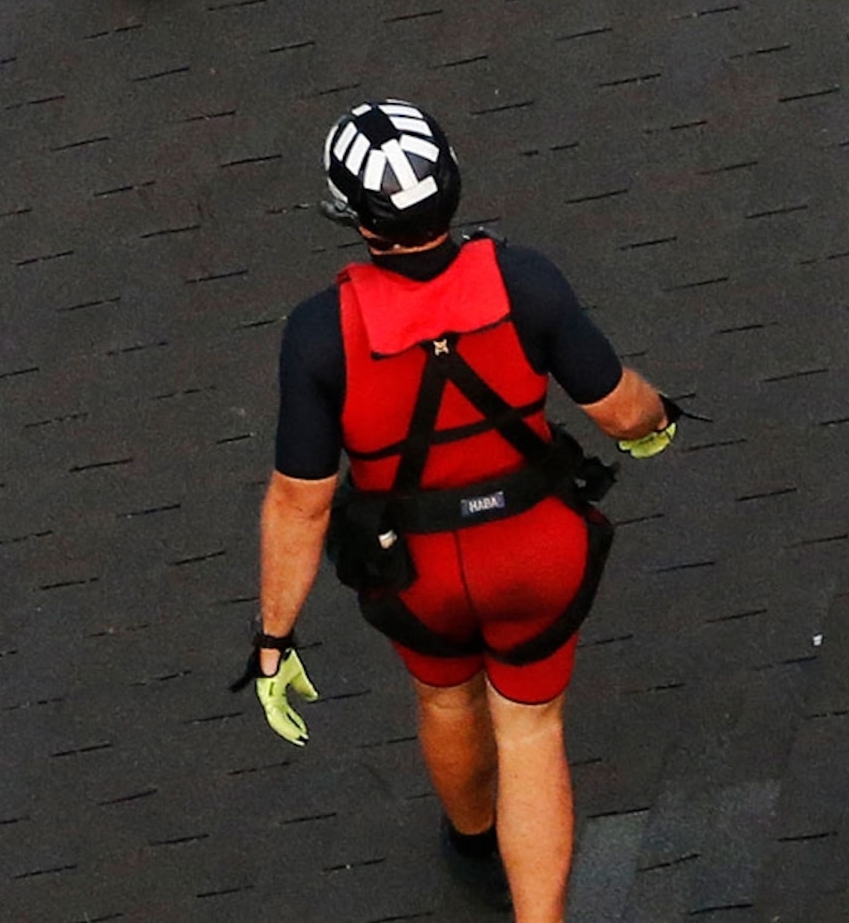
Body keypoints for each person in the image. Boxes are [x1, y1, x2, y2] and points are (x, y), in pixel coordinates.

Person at [239, 100, 683, 919]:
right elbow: (622, 410)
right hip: (537, 553)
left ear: (351, 215)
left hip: (417, 572)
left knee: (446, 699)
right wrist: (660, 424)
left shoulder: (318, 335)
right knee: (531, 728)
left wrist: (274, 639)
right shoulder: (526, 281)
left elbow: (299, 505)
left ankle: (473, 838)